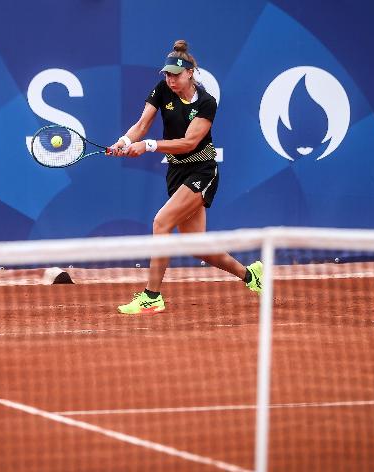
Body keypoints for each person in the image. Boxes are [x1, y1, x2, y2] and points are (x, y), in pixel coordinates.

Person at [110, 40, 262, 315]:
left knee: (161, 222)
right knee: (198, 247)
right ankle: (252, 275)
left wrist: (149, 146)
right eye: (167, 74)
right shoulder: (161, 91)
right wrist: (123, 141)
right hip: (177, 171)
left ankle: (152, 296)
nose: (170, 79)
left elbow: (190, 142)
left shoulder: (206, 102)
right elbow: (142, 125)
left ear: (190, 73)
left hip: (202, 170)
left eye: (175, 75)